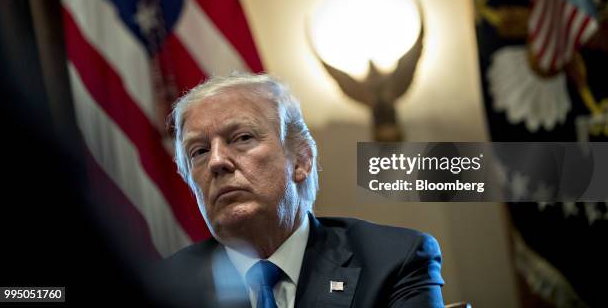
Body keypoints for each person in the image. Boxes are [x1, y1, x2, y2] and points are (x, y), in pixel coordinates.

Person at [160, 73, 444, 308]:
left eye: (242, 138)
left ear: (301, 160)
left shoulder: (393, 260)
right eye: (198, 151)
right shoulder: (164, 289)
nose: (217, 161)